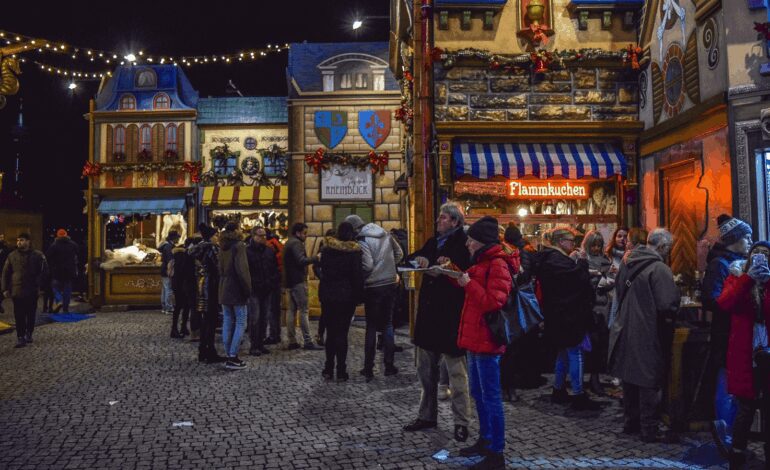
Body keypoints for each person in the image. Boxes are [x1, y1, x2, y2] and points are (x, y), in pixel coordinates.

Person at [403, 202, 473, 442]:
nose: (438, 221)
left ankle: (461, 421)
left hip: (450, 316)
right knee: (426, 373)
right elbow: (409, 259)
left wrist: (446, 267)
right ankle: (427, 415)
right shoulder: (434, 242)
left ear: (455, 221)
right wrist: (421, 259)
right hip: (429, 317)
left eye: (442, 218)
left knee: (457, 374)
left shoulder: (464, 243)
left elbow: (466, 271)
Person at [454, 216, 515, 470]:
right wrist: (451, 272)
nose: (467, 243)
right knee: (478, 394)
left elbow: (492, 302)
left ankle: (496, 453)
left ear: (481, 242)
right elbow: (473, 283)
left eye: (471, 240)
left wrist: (468, 285)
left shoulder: (498, 265)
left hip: (488, 341)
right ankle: (485, 439)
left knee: (490, 397)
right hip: (475, 339)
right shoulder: (481, 262)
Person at [608, 228, 680, 443]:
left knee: (630, 377)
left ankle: (631, 423)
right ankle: (649, 429)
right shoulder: (659, 268)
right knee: (649, 379)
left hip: (626, 326)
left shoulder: (628, 262)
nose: (669, 251)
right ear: (662, 246)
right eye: (668, 248)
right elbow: (667, 303)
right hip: (648, 329)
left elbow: (619, 291)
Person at [716, 241, 770, 468]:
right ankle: (737, 454)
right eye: (756, 253)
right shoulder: (736, 277)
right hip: (745, 354)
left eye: (765, 255)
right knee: (745, 408)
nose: (760, 257)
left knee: (768, 407)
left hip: (766, 353)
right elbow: (725, 303)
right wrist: (748, 279)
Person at [532, 228, 599, 410]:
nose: (572, 243)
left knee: (563, 353)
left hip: (557, 314)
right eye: (570, 240)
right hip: (567, 316)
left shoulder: (551, 259)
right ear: (561, 242)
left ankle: (558, 388)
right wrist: (582, 263)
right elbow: (575, 281)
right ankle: (578, 394)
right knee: (575, 352)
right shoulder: (556, 260)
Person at [702, 215, 752, 455]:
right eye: (746, 237)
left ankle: (733, 430)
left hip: (740, 332)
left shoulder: (742, 261)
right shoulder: (720, 265)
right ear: (735, 240)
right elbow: (712, 299)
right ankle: (725, 431)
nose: (750, 241)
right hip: (726, 332)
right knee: (725, 381)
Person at [345, 214, 404, 381]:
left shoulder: (362, 239)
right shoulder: (385, 233)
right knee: (388, 324)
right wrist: (389, 267)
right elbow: (399, 253)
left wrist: (364, 275)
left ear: (355, 228)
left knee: (371, 326)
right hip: (390, 283)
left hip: (373, 286)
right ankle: (390, 365)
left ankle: (368, 368)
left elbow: (368, 264)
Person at [318, 222, 365, 382]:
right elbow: (357, 277)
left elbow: (321, 269)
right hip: (346, 297)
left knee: (330, 333)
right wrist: (359, 297)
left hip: (328, 295)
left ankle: (328, 368)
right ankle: (341, 370)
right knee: (342, 334)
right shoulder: (354, 252)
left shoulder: (327, 249)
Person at [582, 230, 614, 396]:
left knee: (599, 346)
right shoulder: (582, 260)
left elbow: (610, 280)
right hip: (589, 308)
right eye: (593, 245)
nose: (596, 248)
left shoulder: (605, 261)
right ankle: (584, 379)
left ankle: (595, 378)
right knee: (588, 345)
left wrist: (609, 281)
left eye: (599, 245)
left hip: (603, 308)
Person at [2, 233, 48, 348]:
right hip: (17, 289)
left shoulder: (38, 255)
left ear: (28, 241)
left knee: (31, 313)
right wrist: (4, 289)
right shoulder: (12, 255)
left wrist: (39, 284)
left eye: (21, 240)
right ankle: (20, 336)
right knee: (18, 314)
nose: (19, 242)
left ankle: (29, 333)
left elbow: (44, 271)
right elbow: (6, 273)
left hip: (32, 289)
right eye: (18, 240)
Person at [218, 223, 252, 370]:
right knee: (240, 322)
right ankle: (233, 356)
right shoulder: (239, 246)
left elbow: (219, 268)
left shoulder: (222, 245)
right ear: (236, 230)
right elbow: (242, 269)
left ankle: (228, 354)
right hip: (237, 287)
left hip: (224, 286)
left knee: (227, 321)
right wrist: (248, 289)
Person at [283, 222, 321, 350]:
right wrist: (316, 258)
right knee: (304, 311)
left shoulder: (289, 242)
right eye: (305, 233)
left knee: (291, 311)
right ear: (298, 233)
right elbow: (301, 261)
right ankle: (308, 341)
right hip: (298, 281)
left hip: (289, 281)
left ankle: (292, 340)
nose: (306, 235)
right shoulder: (296, 244)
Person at [190, 224, 224, 364]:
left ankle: (203, 350)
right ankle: (210, 351)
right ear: (211, 236)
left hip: (201, 287)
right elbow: (218, 268)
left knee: (205, 320)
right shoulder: (212, 249)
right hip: (211, 287)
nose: (218, 238)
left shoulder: (198, 249)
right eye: (216, 235)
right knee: (210, 320)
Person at [246, 226, 280, 357]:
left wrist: (272, 282)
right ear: (253, 236)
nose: (263, 238)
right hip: (254, 290)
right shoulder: (247, 252)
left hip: (267, 289)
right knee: (255, 318)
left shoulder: (269, 251)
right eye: (260, 235)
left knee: (264, 317)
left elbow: (274, 269)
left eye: (264, 235)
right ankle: (254, 345)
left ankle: (261, 343)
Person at [45, 229, 79, 313]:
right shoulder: (73, 244)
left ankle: (59, 299)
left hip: (57, 271)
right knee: (67, 290)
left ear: (57, 236)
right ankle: (65, 309)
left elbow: (47, 257)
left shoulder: (54, 245)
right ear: (66, 235)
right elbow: (79, 254)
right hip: (69, 271)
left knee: (55, 287)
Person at [313, 229, 336, 347]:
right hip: (327, 285)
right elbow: (315, 266)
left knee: (328, 312)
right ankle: (322, 334)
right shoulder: (322, 250)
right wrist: (322, 277)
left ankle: (327, 335)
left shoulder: (338, 249)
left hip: (331, 285)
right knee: (326, 312)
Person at [170, 238, 196, 339]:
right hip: (182, 285)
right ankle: (177, 328)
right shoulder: (184, 256)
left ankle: (180, 327)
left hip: (178, 284)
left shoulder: (178, 255)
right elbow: (184, 271)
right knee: (182, 307)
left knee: (182, 306)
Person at [264, 229, 284, 345]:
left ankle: (273, 335)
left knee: (271, 309)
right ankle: (277, 334)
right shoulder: (278, 244)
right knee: (276, 309)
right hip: (278, 279)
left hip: (271, 281)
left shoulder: (269, 246)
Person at [159, 230, 180, 314]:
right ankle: (168, 307)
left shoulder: (166, 245)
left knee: (165, 289)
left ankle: (164, 307)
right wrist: (170, 271)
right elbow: (170, 260)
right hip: (167, 269)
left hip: (164, 269)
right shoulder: (168, 247)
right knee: (168, 289)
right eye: (177, 237)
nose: (178, 239)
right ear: (174, 238)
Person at [0, 234, 8, 313]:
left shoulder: (5, 247)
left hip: (3, 270)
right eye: (0, 237)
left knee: (3, 290)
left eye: (2, 237)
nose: (1, 239)